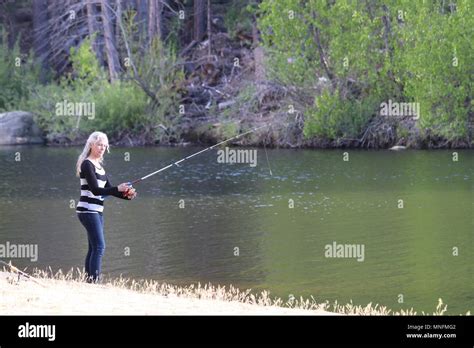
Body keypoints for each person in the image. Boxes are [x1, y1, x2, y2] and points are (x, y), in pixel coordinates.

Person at [75, 131, 137, 283]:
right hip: (87, 210)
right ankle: (95, 282)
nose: (102, 148)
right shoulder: (87, 164)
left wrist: (127, 195)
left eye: (104, 145)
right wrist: (119, 188)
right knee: (100, 247)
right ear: (91, 145)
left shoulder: (99, 167)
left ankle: (89, 281)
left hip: (96, 211)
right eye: (99, 145)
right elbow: (96, 191)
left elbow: (108, 190)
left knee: (93, 247)